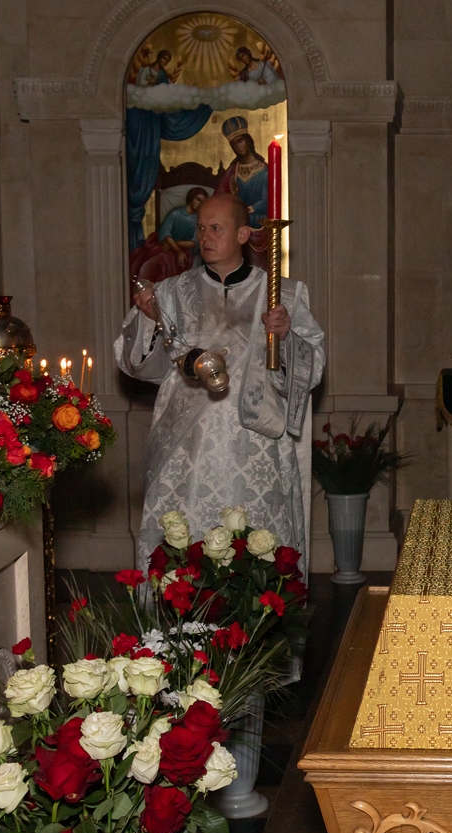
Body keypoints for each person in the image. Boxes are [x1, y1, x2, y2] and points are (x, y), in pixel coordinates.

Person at [115, 192, 325, 569]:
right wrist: (148, 319)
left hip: (256, 446)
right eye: (200, 229)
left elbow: (313, 367)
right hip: (186, 451)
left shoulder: (284, 295)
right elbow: (139, 366)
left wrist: (287, 337)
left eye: (216, 228)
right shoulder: (170, 293)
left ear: (243, 234)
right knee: (184, 556)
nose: (204, 237)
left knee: (257, 556)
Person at [216, 117, 268, 231]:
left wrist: (249, 209)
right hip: (236, 226)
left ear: (248, 140)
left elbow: (268, 200)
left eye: (240, 141)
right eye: (233, 144)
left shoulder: (265, 170)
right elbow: (219, 199)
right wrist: (233, 195)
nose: (237, 147)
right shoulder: (232, 171)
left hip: (259, 225)